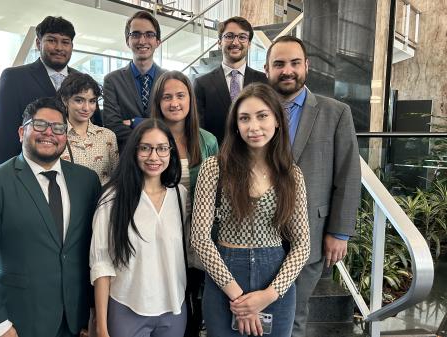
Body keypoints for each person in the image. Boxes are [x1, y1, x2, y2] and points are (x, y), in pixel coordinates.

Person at [0, 97, 101, 337]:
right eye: (40, 125)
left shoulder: (86, 181)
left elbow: (95, 250)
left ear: (65, 137)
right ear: (21, 131)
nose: (49, 133)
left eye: (58, 128)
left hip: (76, 322)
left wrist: (94, 314)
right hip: (18, 324)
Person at [191, 83, 310, 337]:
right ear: (235, 125)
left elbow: (302, 246)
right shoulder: (215, 168)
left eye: (262, 116)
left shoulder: (291, 174)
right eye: (244, 118)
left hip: (275, 279)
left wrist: (267, 295)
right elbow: (200, 238)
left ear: (277, 120)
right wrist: (239, 299)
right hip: (225, 276)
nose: (253, 126)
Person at [263, 35, 361, 337]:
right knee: (261, 315)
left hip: (312, 234)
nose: (287, 70)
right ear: (267, 70)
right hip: (260, 235)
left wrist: (339, 232)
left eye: (294, 63)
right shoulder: (255, 112)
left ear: (307, 66)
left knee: (295, 314)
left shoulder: (335, 113)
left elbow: (348, 175)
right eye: (279, 64)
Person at [90, 119, 188, 337]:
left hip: (174, 308)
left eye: (162, 148)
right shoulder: (112, 198)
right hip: (126, 306)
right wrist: (102, 327)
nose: (154, 157)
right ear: (134, 151)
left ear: (171, 152)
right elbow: (101, 264)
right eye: (145, 148)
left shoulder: (180, 195)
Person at [150, 70, 218, 337]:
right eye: (167, 97)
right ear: (158, 102)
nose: (174, 103)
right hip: (161, 235)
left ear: (190, 99)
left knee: (195, 301)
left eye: (180, 95)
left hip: (198, 234)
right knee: (169, 302)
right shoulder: (149, 137)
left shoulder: (208, 140)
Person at [0, 16, 78, 165]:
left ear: (71, 46)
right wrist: (8, 174)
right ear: (38, 43)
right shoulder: (14, 77)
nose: (59, 48)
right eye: (51, 40)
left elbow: (94, 124)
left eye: (65, 42)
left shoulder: (82, 80)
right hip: (29, 169)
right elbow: (3, 131)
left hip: (76, 169)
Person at [193, 16, 267, 145]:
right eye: (229, 36)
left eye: (242, 37)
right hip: (217, 159)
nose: (235, 42)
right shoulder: (202, 84)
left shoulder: (264, 81)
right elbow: (199, 132)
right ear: (219, 42)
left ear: (249, 44)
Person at [102, 10, 166, 150]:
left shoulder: (169, 80)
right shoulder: (112, 81)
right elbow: (112, 126)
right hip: (125, 158)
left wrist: (135, 122)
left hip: (162, 158)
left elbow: (174, 123)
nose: (142, 41)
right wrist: (151, 138)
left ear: (158, 41)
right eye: (135, 34)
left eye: (149, 35)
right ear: (127, 41)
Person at [56, 72, 119, 185]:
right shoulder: (55, 135)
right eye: (79, 100)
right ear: (65, 100)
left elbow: (115, 178)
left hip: (103, 200)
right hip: (69, 200)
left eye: (92, 101)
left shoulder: (108, 136)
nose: (86, 108)